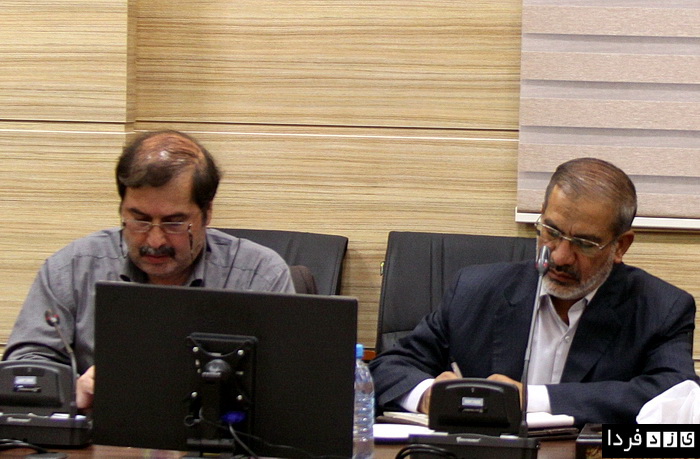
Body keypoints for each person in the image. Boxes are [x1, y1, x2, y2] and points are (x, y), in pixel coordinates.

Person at [369, 157, 697, 425]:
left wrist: (531, 399)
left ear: (620, 246)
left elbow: (674, 394)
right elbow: (388, 367)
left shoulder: (660, 308)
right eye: (551, 231)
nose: (560, 256)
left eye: (584, 243)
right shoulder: (475, 290)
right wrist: (428, 394)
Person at [3, 130, 295, 410]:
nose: (155, 241)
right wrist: (72, 391)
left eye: (174, 222)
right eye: (139, 220)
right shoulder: (73, 268)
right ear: (122, 209)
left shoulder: (258, 274)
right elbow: (25, 369)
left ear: (207, 214)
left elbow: (287, 387)